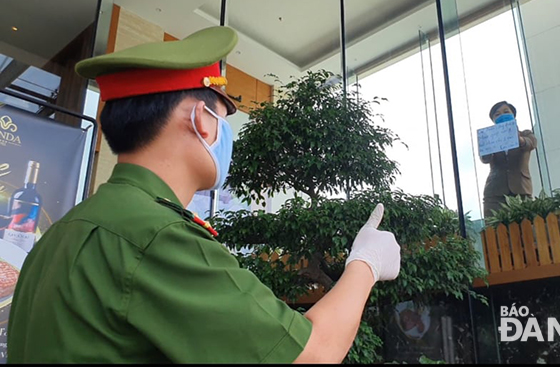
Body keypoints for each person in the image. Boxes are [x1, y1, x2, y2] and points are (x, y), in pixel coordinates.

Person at [7, 26, 401, 363]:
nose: (226, 135)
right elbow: (309, 354)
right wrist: (365, 262)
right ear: (201, 119)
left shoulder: (63, 233)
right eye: (224, 117)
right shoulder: (154, 235)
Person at [480, 101, 537, 218]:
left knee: (526, 225)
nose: (502, 115)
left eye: (506, 112)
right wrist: (487, 144)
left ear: (513, 115)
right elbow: (485, 159)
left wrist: (517, 138)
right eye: (497, 114)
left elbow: (530, 144)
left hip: (521, 189)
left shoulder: (525, 134)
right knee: (494, 229)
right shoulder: (490, 137)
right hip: (495, 191)